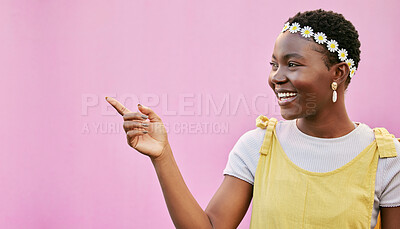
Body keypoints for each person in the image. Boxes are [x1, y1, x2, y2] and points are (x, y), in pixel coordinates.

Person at [106, 9, 400, 229]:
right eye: (274, 64)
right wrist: (162, 156)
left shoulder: (387, 158)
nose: (276, 77)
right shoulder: (258, 146)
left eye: (292, 64)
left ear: (338, 73)